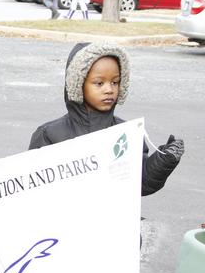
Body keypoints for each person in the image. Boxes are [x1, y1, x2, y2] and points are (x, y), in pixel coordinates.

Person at [29, 43, 184, 196]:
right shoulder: (49, 134)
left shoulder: (127, 134)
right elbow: (31, 190)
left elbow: (139, 184)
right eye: (99, 83)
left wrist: (163, 162)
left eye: (115, 82)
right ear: (78, 84)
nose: (109, 89)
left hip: (115, 220)